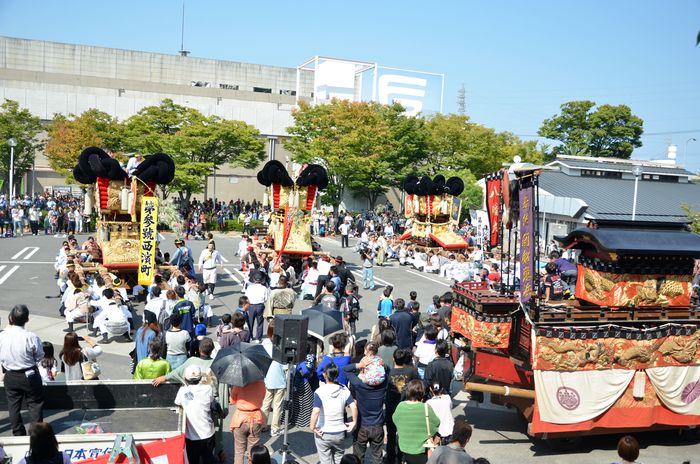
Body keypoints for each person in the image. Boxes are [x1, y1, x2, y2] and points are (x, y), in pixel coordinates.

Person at [0, 305, 44, 435]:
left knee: (13, 405)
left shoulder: (2, 336)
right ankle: (36, 434)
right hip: (29, 374)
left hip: (10, 375)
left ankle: (18, 433)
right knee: (35, 404)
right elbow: (39, 355)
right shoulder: (31, 337)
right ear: (27, 319)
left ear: (10, 318)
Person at [343, 346, 388, 464]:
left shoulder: (359, 384)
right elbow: (387, 370)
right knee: (377, 457)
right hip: (378, 426)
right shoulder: (383, 383)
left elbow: (346, 370)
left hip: (362, 426)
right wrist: (382, 364)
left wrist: (359, 365)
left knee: (358, 457)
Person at [310, 363, 357, 464]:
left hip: (323, 432)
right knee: (339, 458)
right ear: (337, 375)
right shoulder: (344, 389)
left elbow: (316, 411)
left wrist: (312, 427)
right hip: (339, 432)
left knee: (325, 459)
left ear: (325, 374)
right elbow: (353, 406)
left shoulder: (319, 391)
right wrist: (354, 422)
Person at [175, 365, 217, 464]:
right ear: (200, 378)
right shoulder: (208, 389)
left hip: (191, 438)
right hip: (208, 433)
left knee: (193, 461)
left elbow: (177, 402)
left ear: (186, 378)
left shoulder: (182, 391)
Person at [393, 380, 440, 464]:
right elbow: (436, 424)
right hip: (422, 450)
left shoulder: (400, 406)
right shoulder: (426, 407)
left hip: (405, 448)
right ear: (422, 392)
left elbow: (395, 420)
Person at [386, 349, 420, 464]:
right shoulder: (411, 371)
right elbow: (418, 385)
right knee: (404, 433)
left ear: (393, 359)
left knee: (391, 434)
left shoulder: (389, 373)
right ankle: (402, 457)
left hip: (391, 407)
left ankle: (390, 459)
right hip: (406, 406)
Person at [230, 379, 266, 464]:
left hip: (240, 419)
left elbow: (232, 401)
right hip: (256, 418)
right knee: (253, 450)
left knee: (239, 451)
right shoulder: (261, 383)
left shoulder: (238, 384)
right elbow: (263, 397)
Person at [261, 325, 286, 438]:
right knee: (277, 406)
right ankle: (275, 429)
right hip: (280, 380)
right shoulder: (281, 348)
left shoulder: (264, 345)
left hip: (267, 379)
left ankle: (262, 425)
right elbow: (286, 367)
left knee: (265, 403)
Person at [245, 271, 269, 342]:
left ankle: (250, 336)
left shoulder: (249, 287)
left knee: (250, 322)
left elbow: (246, 297)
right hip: (260, 306)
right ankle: (258, 338)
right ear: (261, 280)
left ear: (254, 279)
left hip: (251, 306)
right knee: (260, 322)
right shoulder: (264, 288)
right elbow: (266, 299)